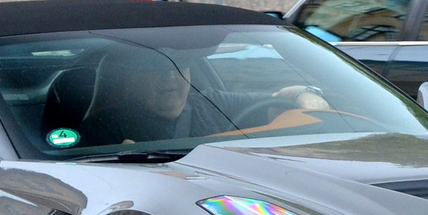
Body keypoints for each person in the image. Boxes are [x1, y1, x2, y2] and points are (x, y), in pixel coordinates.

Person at [83, 51, 330, 146]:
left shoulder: (215, 103)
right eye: (156, 70)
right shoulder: (106, 125)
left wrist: (307, 95)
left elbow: (278, 100)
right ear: (134, 79)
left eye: (179, 67)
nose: (170, 78)